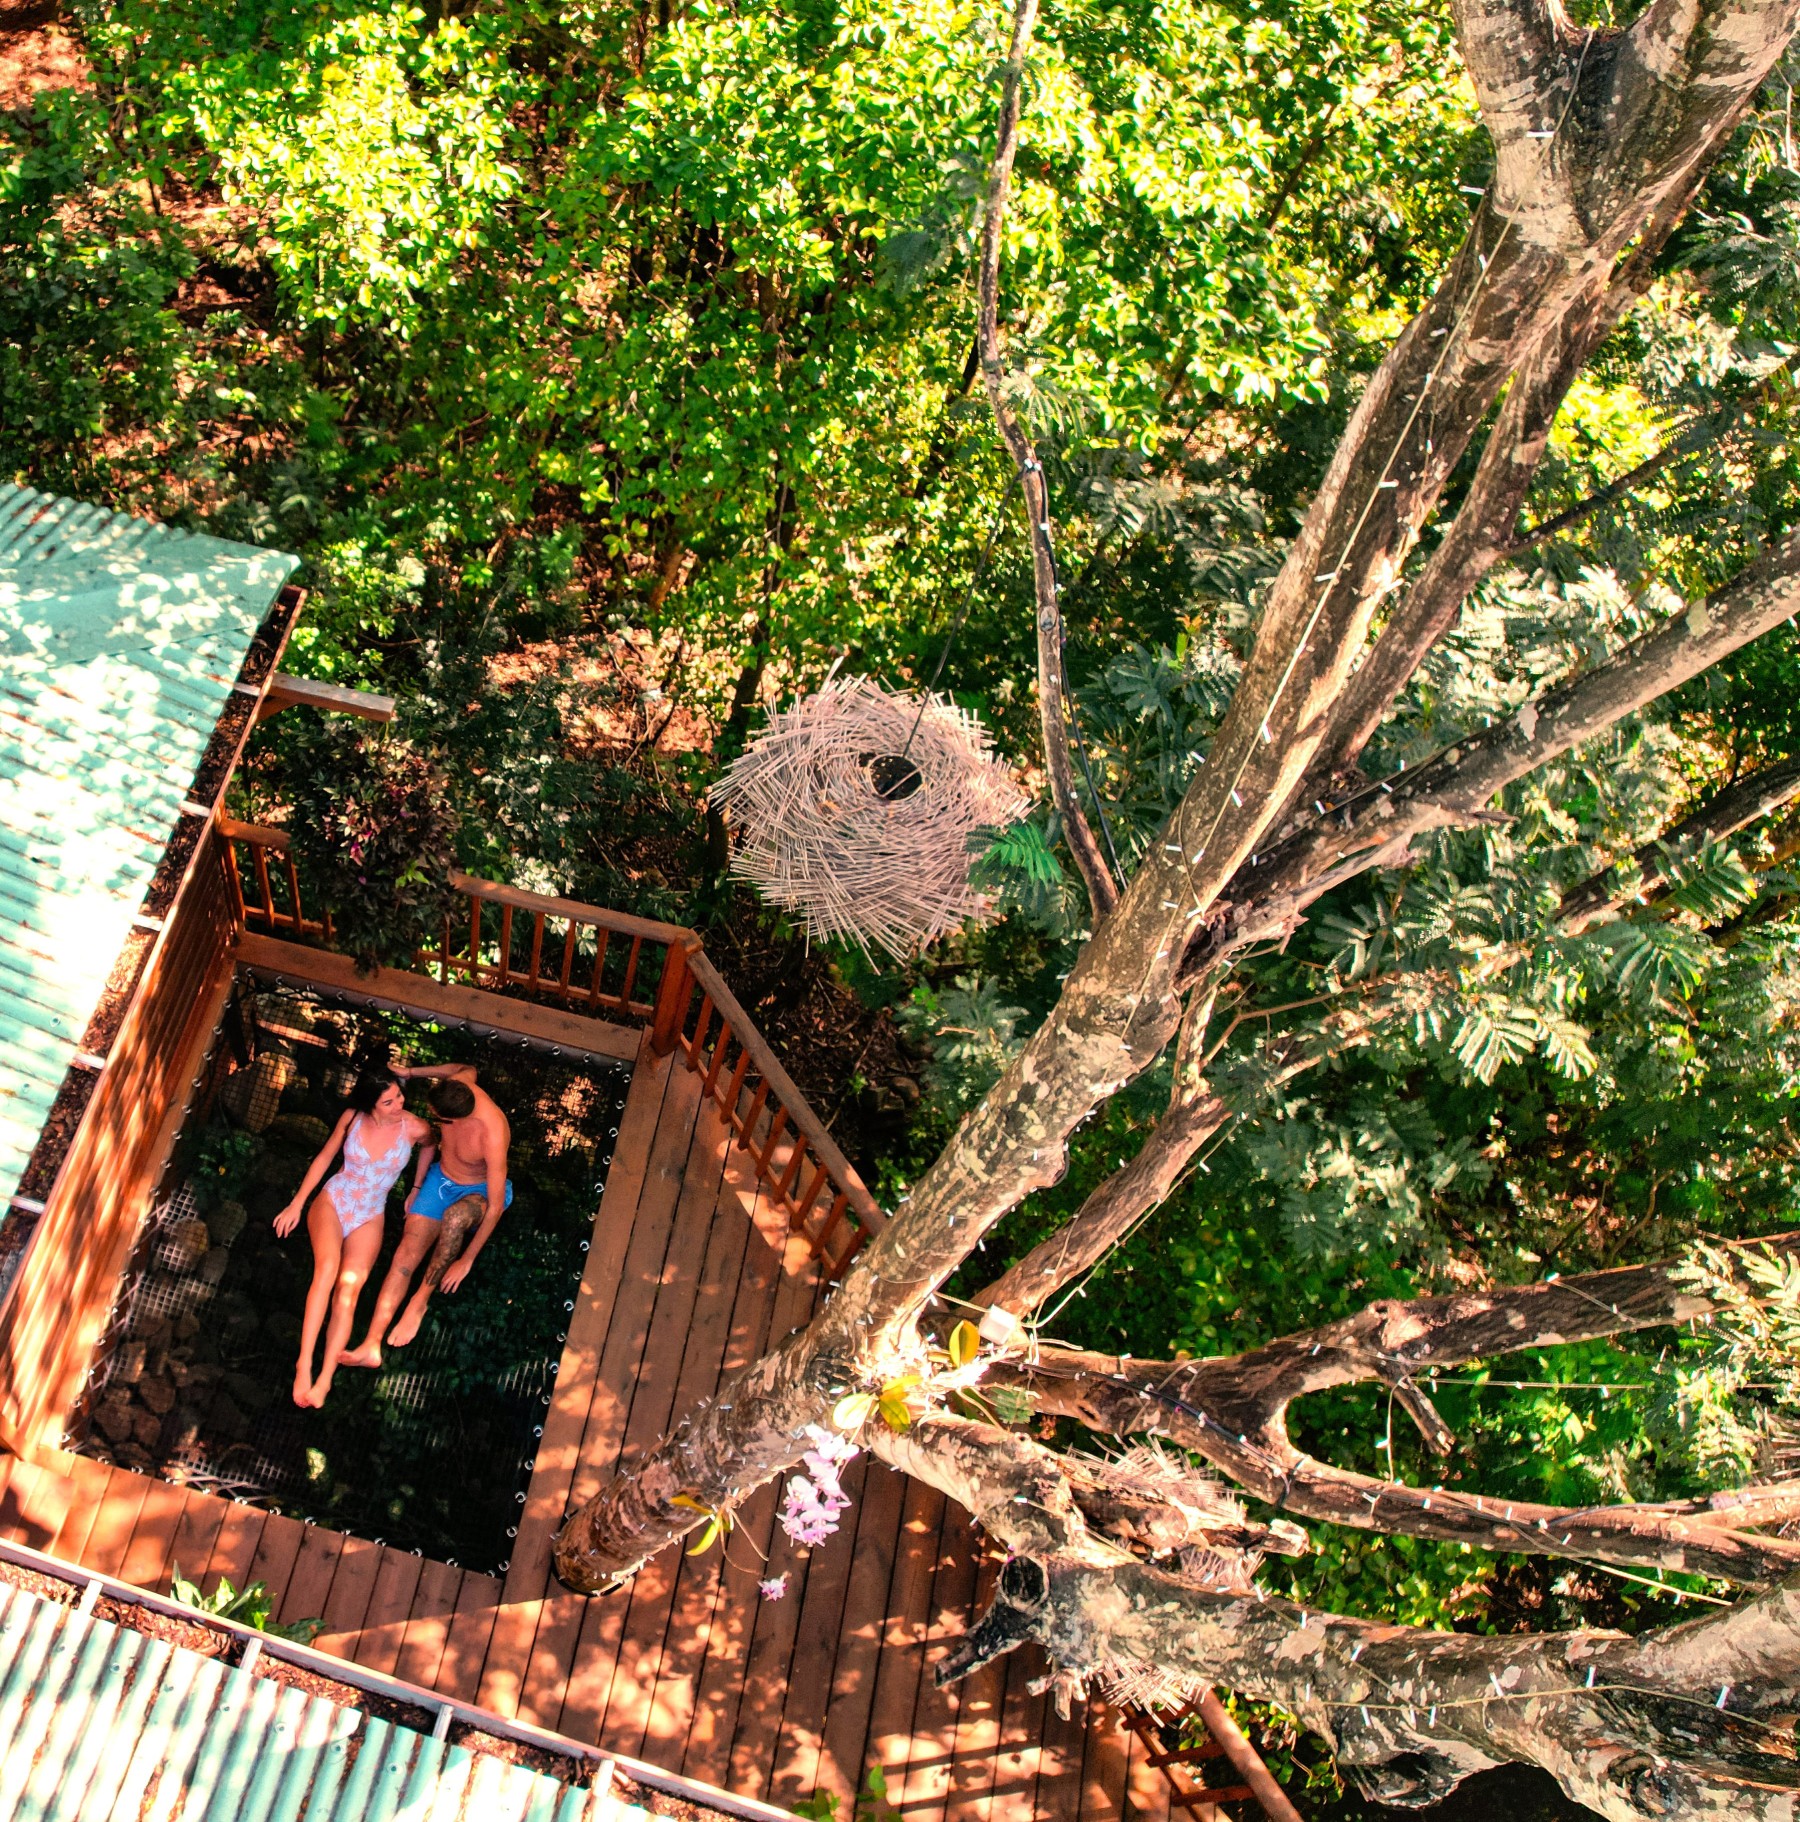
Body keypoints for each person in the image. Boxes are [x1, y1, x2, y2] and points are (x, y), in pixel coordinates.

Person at [273, 1065, 431, 1409]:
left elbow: (431, 1146)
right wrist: (297, 1204)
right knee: (327, 1272)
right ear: (371, 1104)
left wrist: (416, 1188)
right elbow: (326, 1156)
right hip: (335, 1199)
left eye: (399, 1096)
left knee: (349, 1290)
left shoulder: (415, 1127)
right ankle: (304, 1365)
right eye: (388, 1101)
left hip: (371, 1212)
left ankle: (325, 1379)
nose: (398, 1104)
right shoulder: (352, 1117)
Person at [338, 1061, 512, 1369]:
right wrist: (409, 1073)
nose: (431, 1119)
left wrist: (467, 1260)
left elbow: (496, 1206)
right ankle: (371, 1345)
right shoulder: (460, 1084)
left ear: (453, 1119)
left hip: (480, 1192)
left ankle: (420, 1300)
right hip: (441, 1181)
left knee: (456, 1218)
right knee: (405, 1255)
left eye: (436, 1118)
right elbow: (466, 1066)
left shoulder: (493, 1131)